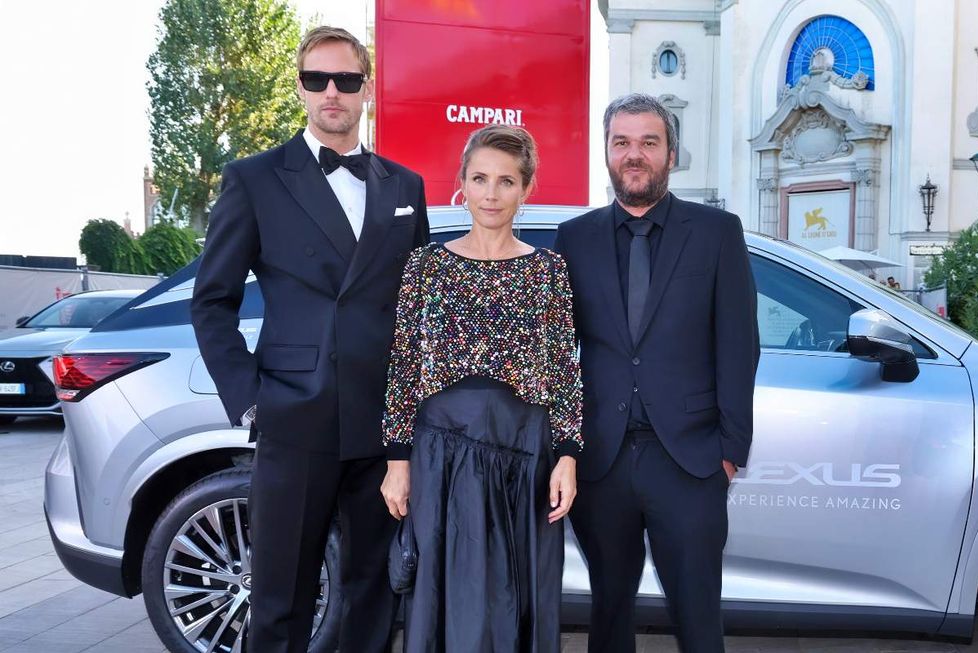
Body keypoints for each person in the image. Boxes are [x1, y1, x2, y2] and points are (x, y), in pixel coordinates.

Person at [189, 25, 429, 653]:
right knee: (280, 601)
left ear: (366, 89)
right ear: (299, 87)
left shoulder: (405, 186)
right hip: (295, 418)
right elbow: (211, 302)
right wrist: (250, 399)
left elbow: (420, 306)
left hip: (383, 427)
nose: (332, 92)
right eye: (317, 79)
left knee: (374, 593)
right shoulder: (255, 179)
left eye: (346, 80)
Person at [554, 93, 759, 652]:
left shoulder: (717, 233)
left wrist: (729, 451)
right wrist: (563, 447)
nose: (634, 154)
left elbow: (740, 346)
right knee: (609, 611)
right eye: (622, 142)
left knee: (697, 618)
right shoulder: (575, 239)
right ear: (607, 152)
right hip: (602, 461)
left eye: (649, 142)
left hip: (691, 463)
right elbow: (554, 355)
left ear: (671, 152)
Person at [380, 124, 583, 652]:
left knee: (515, 599)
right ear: (461, 185)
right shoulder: (424, 265)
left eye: (506, 181)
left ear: (526, 189)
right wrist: (397, 464)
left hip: (524, 455)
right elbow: (403, 364)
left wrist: (567, 456)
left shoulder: (548, 270)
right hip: (440, 455)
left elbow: (563, 367)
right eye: (480, 179)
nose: (491, 194)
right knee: (446, 595)